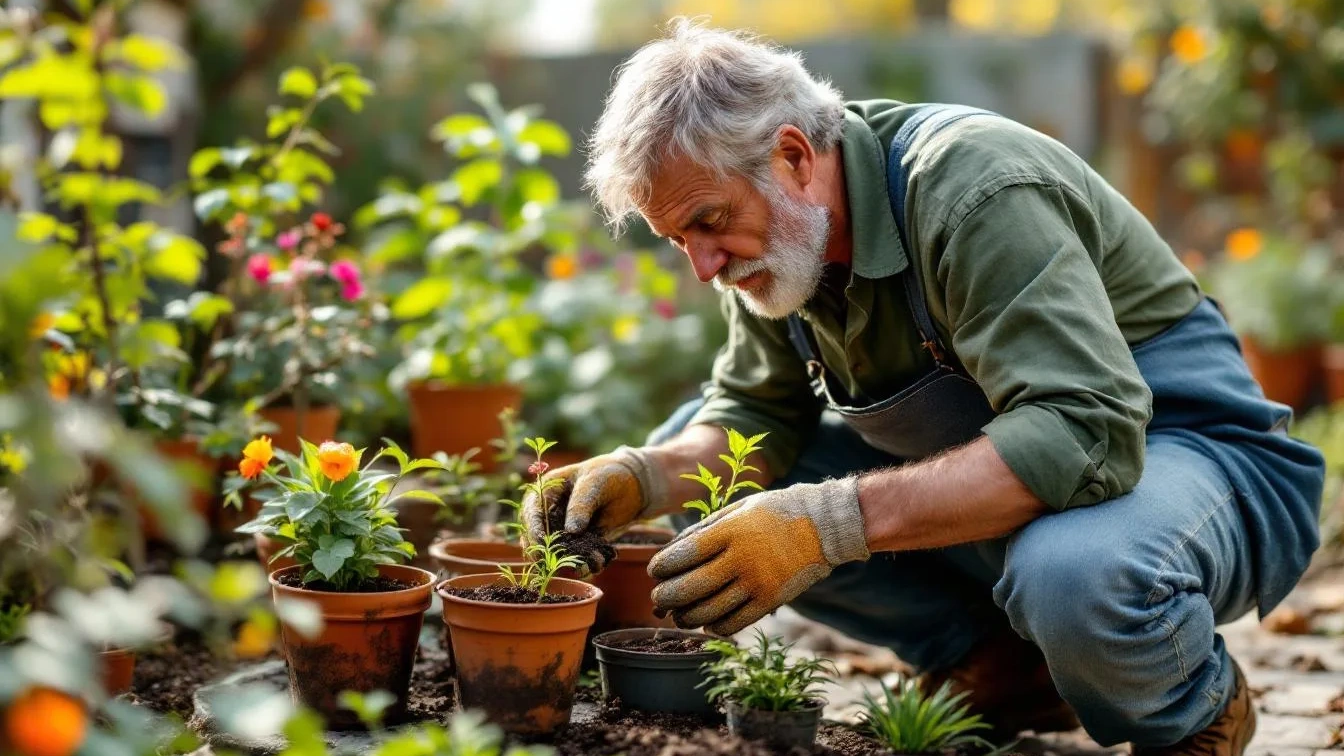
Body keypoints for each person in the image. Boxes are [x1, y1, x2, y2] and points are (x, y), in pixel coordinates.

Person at [521, 19, 1325, 755]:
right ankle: (1007, 670)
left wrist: (823, 523)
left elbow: (1084, 433)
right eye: (677, 240)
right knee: (717, 481)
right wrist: (643, 476)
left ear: (794, 156)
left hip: (1187, 465)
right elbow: (750, 414)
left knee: (1074, 575)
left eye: (705, 221)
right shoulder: (780, 241)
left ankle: (1195, 705)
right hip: (1021, 493)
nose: (702, 266)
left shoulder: (974, 191)